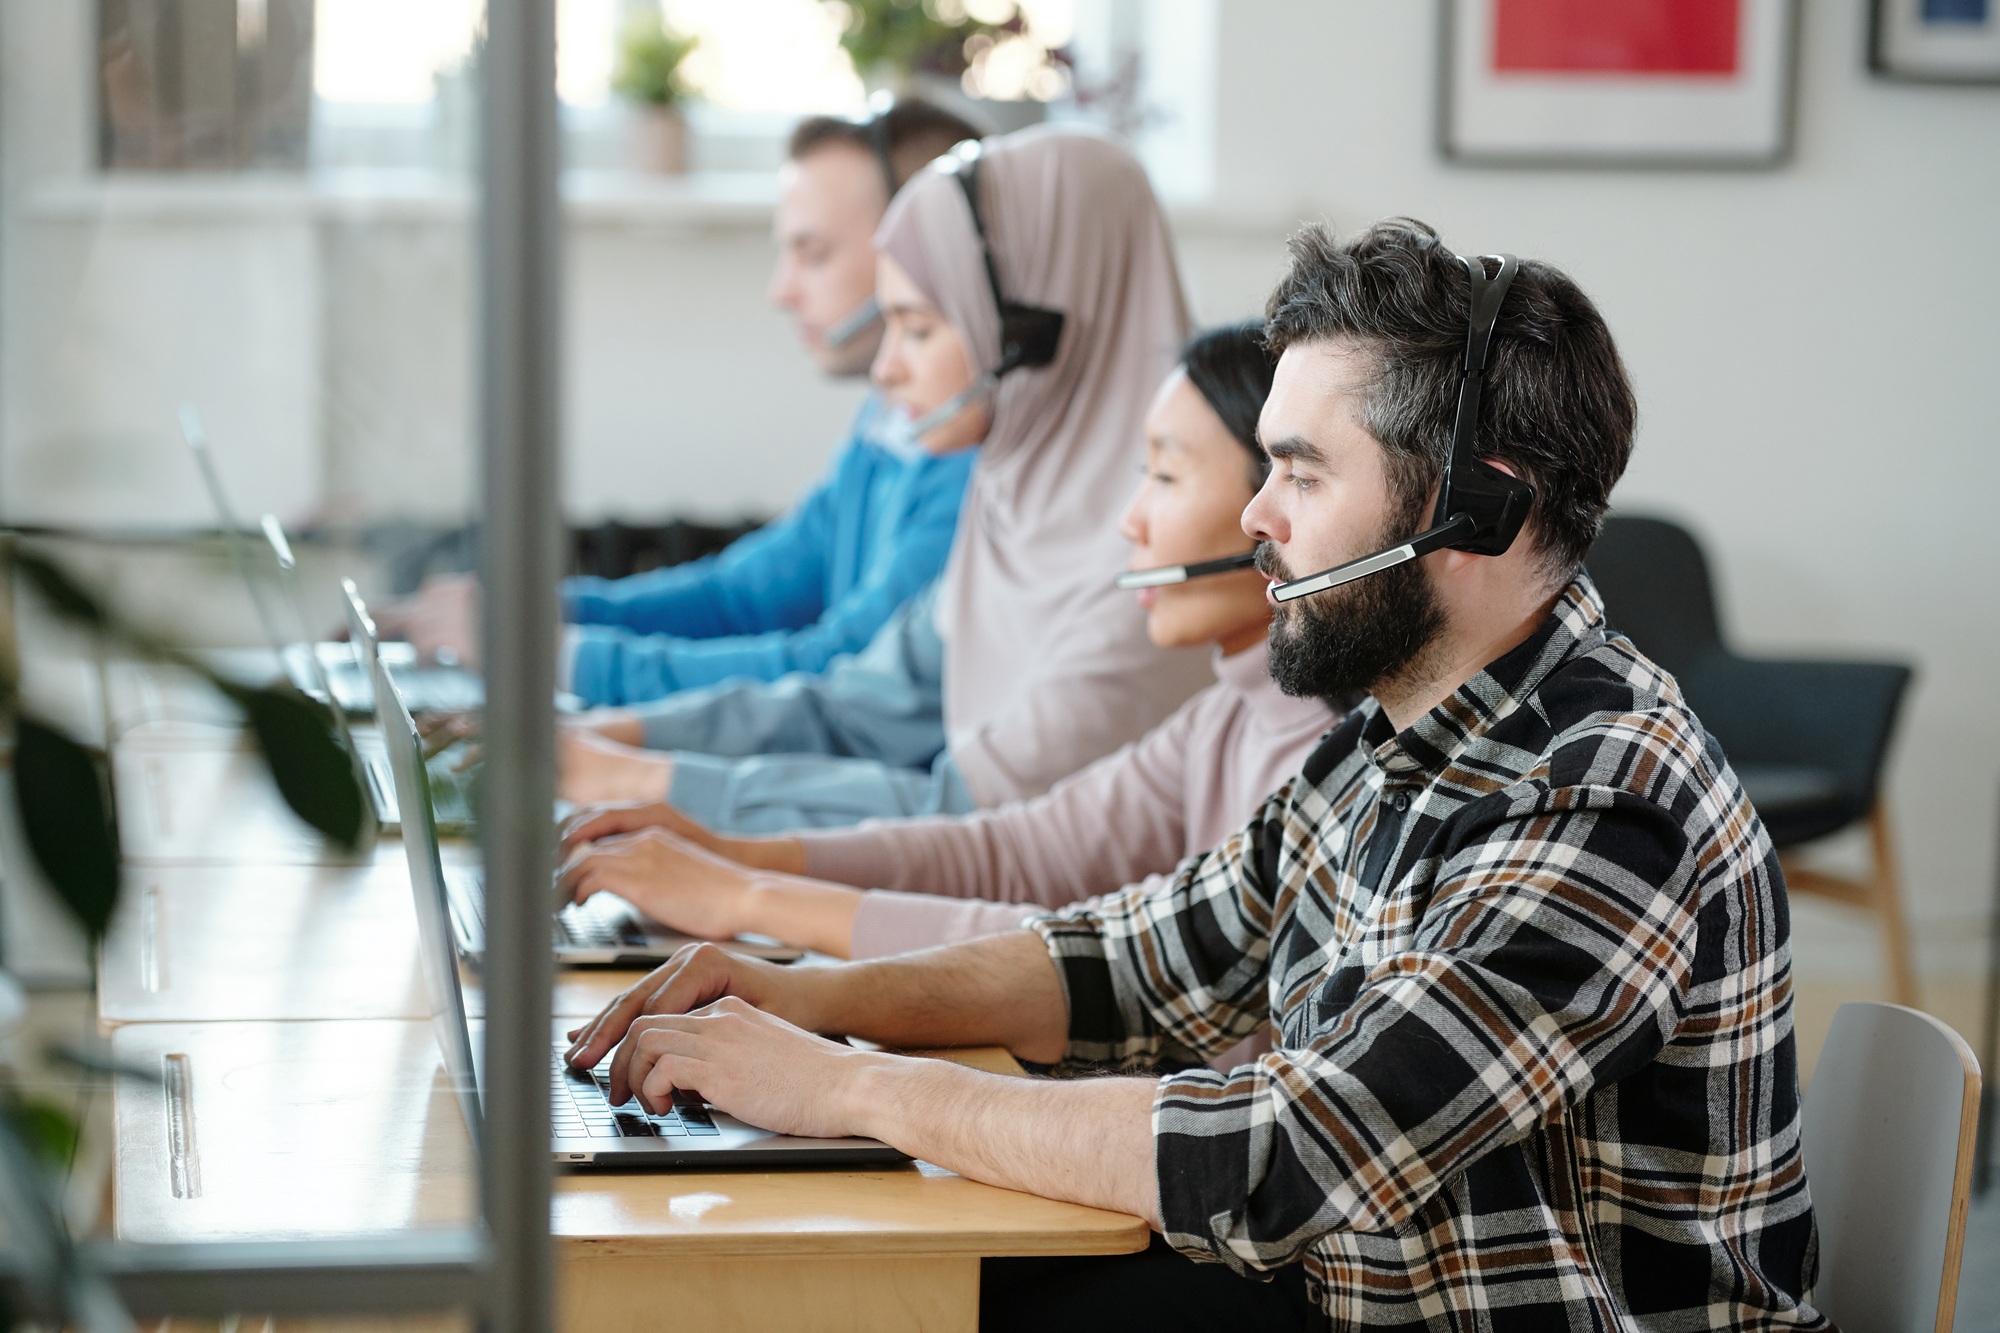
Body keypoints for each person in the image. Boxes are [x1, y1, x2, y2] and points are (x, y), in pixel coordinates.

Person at [560, 220, 1825, 1331]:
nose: (1255, 519)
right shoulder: (1392, 737)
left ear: (1474, 513)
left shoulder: (1601, 800)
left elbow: (1284, 1153)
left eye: (1301, 471)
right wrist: (810, 1000)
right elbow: (1125, 960)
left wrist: (845, 1086)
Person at [554, 322, 1339, 965]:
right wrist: (736, 858)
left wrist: (750, 895)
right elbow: (1010, 852)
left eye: (1164, 477)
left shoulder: (1322, 758)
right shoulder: (1224, 718)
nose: (1127, 522)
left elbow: (1129, 959)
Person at [554, 128, 1216, 833]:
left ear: (1027, 337)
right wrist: (614, 738)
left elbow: (976, 823)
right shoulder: (1011, 514)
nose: (884, 369)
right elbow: (853, 706)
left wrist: (651, 780)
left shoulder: (1151, 564)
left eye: (920, 329)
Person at [375, 98, 982, 704]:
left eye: (813, 253)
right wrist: (529, 616)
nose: (781, 291)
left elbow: (843, 671)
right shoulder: (889, 425)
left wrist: (551, 657)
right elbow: (740, 597)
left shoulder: (968, 461)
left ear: (923, 257)